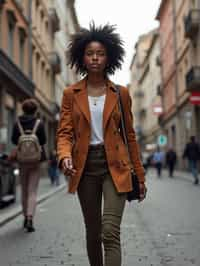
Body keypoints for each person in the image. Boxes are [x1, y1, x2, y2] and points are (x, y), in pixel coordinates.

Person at [57, 23, 146, 266]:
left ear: (109, 57)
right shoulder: (70, 93)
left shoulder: (121, 93)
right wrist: (64, 155)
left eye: (100, 53)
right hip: (84, 167)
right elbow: (65, 132)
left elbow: (130, 135)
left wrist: (140, 175)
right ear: (82, 58)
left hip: (115, 165)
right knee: (93, 232)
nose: (95, 58)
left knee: (109, 231)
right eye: (90, 53)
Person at [11, 98, 46, 232]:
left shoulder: (17, 123)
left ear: (23, 109)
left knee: (24, 190)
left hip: (22, 161)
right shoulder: (39, 123)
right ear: (35, 110)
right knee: (32, 191)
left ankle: (25, 216)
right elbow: (43, 140)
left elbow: (14, 140)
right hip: (35, 161)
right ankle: (30, 217)